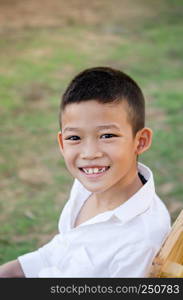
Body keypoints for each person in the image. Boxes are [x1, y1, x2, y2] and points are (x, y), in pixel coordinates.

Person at [0, 66, 171, 278]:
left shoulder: (140, 242)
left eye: (107, 135)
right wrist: (11, 272)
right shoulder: (87, 183)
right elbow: (65, 249)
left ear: (140, 141)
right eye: (74, 138)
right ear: (62, 143)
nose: (89, 154)